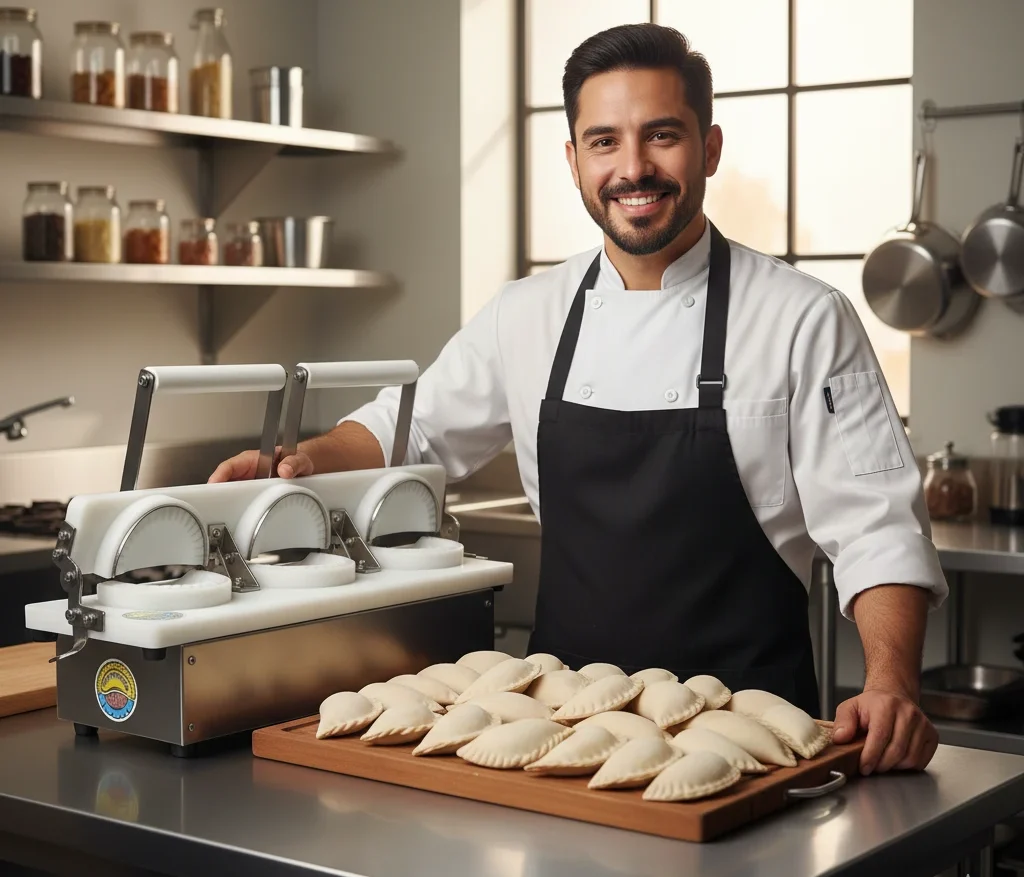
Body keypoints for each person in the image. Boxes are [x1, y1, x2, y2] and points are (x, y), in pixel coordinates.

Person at [211, 24, 946, 775]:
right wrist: (302, 460)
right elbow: (412, 430)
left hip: (745, 743)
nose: (633, 168)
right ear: (572, 159)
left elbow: (875, 526)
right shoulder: (527, 312)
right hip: (560, 738)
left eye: (662, 135)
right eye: (603, 141)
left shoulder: (802, 317)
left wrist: (891, 683)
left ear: (711, 147)